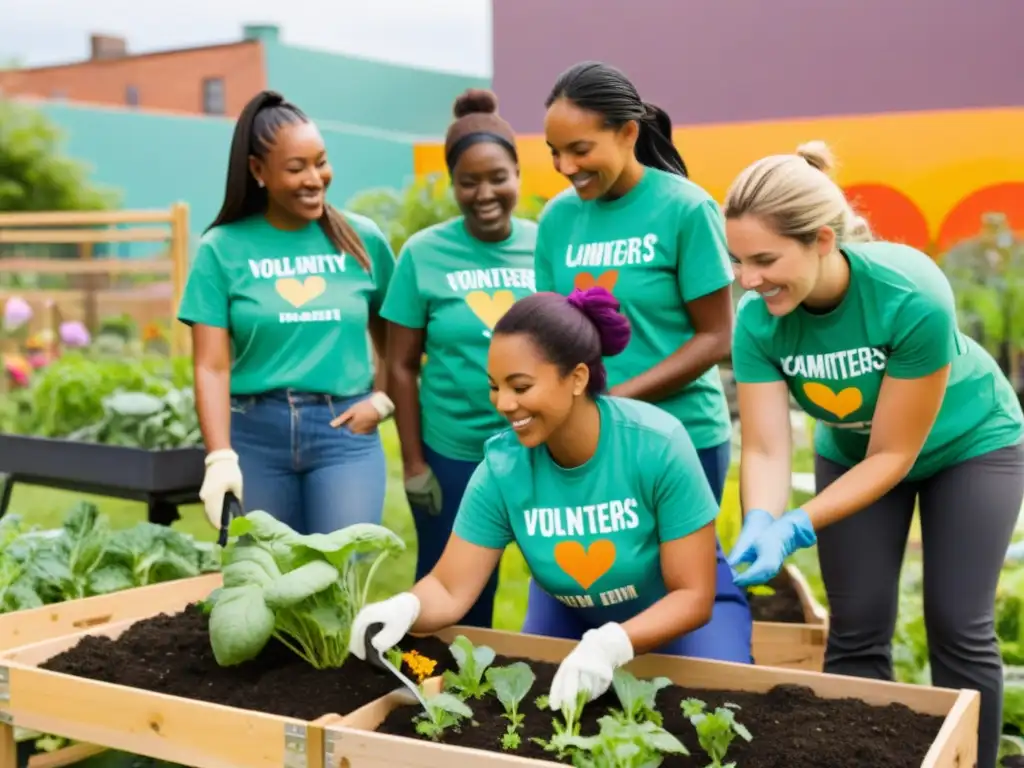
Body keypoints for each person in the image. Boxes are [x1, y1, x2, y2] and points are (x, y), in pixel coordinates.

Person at [725, 140, 1024, 768]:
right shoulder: (758, 320)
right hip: (853, 449)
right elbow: (766, 444)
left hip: (972, 443)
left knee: (957, 626)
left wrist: (798, 524)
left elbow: (893, 455)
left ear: (823, 240)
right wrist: (761, 516)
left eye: (764, 260)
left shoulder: (909, 293)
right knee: (856, 631)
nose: (748, 281)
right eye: (738, 261)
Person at [350, 286, 751, 711]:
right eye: (495, 387)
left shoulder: (657, 444)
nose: (504, 403)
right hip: (570, 611)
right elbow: (450, 587)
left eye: (520, 386)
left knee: (719, 714)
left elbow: (692, 594)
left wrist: (613, 644)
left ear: (577, 378)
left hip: (679, 616)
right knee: (534, 714)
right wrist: (405, 608)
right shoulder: (503, 468)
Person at [529, 59, 751, 660]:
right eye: (554, 152)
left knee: (670, 581)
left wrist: (616, 404)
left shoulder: (686, 209)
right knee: (591, 574)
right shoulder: (555, 221)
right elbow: (553, 335)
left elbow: (716, 337)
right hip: (586, 439)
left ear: (628, 133)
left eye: (579, 149)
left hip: (681, 434)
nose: (565, 167)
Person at [177, 90, 397, 536]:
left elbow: (397, 336)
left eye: (321, 162)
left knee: (336, 581)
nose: (314, 178)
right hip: (255, 435)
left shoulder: (363, 239)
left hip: (344, 435)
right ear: (258, 171)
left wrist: (382, 399)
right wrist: (220, 456)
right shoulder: (222, 249)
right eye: (296, 168)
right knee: (264, 580)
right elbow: (211, 365)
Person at [381, 88, 537, 628]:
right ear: (452, 184)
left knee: (567, 585)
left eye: (498, 177)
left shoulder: (547, 245)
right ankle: (443, 700)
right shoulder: (422, 254)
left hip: (539, 449)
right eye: (468, 182)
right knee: (455, 595)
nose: (485, 193)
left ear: (518, 172)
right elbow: (400, 364)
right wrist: (415, 465)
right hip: (453, 455)